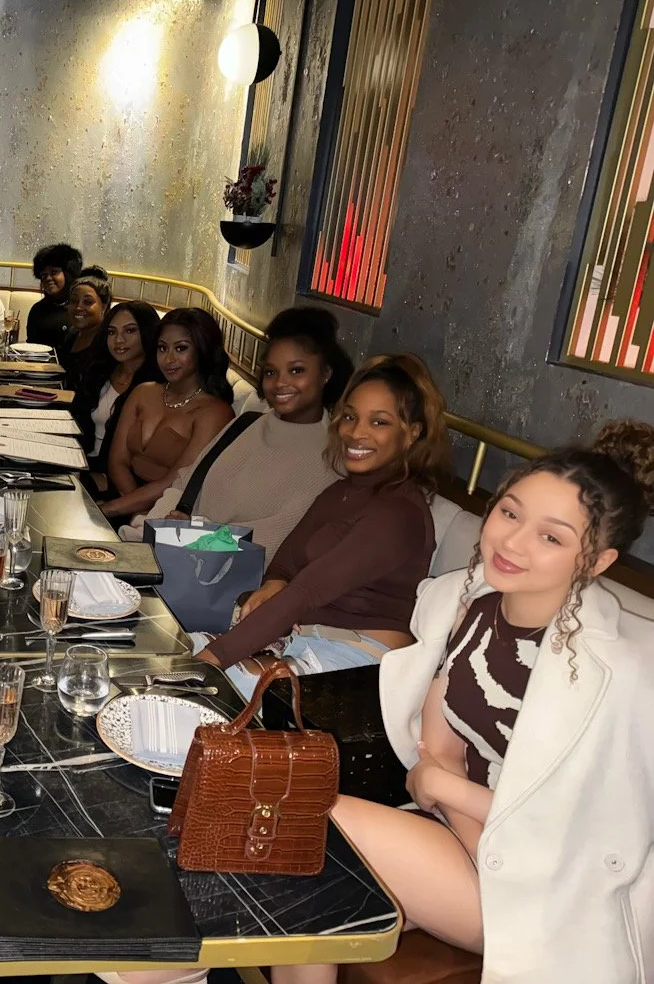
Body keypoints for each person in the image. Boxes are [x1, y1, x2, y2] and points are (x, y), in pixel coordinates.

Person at [277, 420, 654, 984]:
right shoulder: (471, 604)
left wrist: (447, 793)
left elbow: (590, 830)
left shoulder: (619, 674)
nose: (512, 542)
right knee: (301, 901)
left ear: (596, 563)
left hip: (545, 891)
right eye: (509, 512)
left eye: (551, 537)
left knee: (312, 817)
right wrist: (450, 799)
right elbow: (438, 748)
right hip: (467, 838)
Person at [195, 354, 452, 698]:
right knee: (183, 646)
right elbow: (287, 560)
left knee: (219, 684)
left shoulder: (399, 512)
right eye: (350, 417)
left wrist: (210, 661)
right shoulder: (342, 492)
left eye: (379, 423)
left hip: (360, 662)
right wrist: (275, 582)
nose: (356, 432)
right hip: (303, 639)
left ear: (411, 434)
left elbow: (306, 592)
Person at [120, 306, 353, 555]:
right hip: (169, 552)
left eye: (296, 371)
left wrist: (195, 535)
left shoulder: (332, 457)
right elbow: (184, 483)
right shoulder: (246, 424)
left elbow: (273, 540)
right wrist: (159, 526)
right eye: (272, 372)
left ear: (326, 373)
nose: (280, 383)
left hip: (223, 578)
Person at [97, 309, 236, 521]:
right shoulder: (143, 391)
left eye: (181, 348)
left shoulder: (215, 412)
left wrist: (110, 510)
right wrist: (134, 512)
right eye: (162, 348)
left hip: (168, 514)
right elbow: (117, 461)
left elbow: (175, 481)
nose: (168, 359)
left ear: (202, 350)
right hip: (125, 500)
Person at [69, 301, 163, 489]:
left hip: (113, 478)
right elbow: (76, 420)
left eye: (129, 331)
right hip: (81, 461)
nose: (118, 340)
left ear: (147, 333)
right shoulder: (100, 371)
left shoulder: (154, 386)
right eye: (112, 332)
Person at [59, 266, 113, 389]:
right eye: (74, 301)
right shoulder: (72, 334)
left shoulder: (107, 343)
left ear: (104, 306)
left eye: (88, 302)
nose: (78, 307)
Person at [26, 242, 84, 350]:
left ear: (68, 273)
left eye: (54, 272)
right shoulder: (37, 310)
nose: (48, 278)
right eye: (44, 275)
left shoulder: (80, 309)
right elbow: (30, 349)